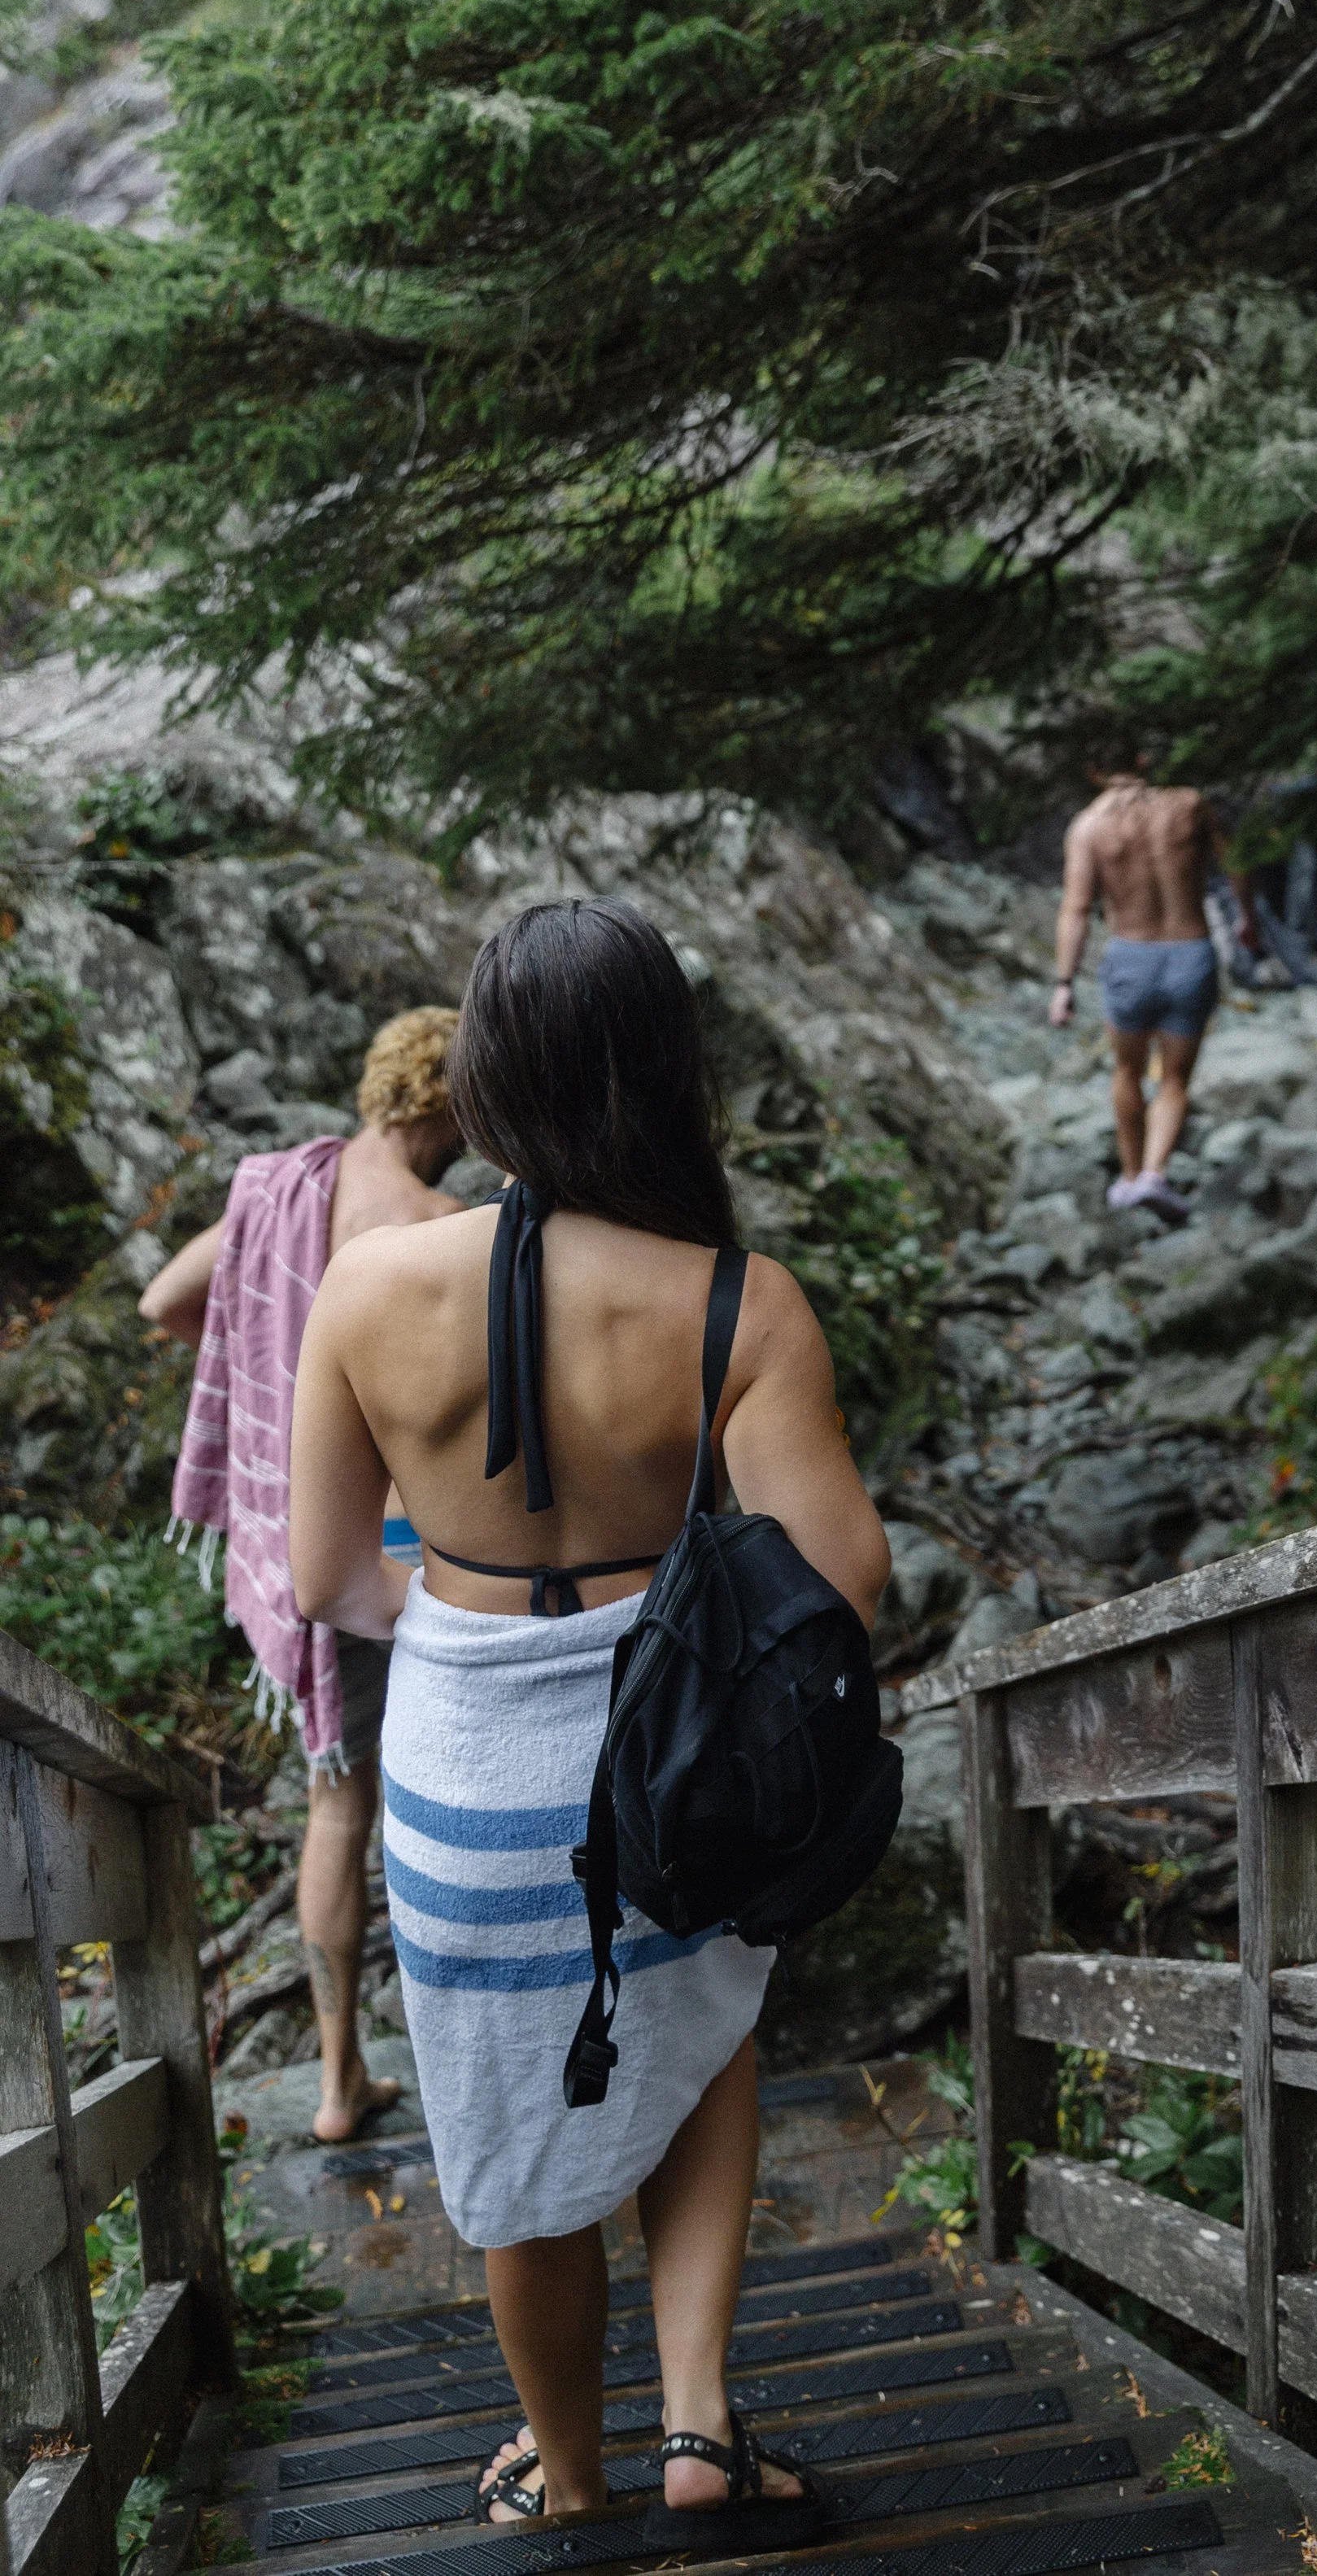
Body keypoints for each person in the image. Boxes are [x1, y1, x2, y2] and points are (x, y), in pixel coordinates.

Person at [287, 899, 891, 2535]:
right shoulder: (733, 1304)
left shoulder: (367, 1290)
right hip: (670, 1753)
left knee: (499, 2106)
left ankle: (563, 2476)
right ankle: (700, 2430)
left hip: (463, 1762)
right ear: (663, 1072)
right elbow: (844, 1577)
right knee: (702, 2040)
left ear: (483, 1076)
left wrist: (473, 1622)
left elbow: (329, 1574)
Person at [142, 1009, 464, 2144]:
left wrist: (275, 1382)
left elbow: (169, 1300)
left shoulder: (281, 1188)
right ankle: (470, 2061)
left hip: (298, 1539)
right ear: (438, 1101)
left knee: (339, 1805)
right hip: (398, 1548)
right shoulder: (440, 1223)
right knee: (442, 1794)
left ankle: (338, 2082)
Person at [1050, 758, 1233, 1220]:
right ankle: (1156, 1173)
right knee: (1174, 1079)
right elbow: (1237, 866)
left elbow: (1075, 909)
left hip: (1131, 956)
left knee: (1127, 1071)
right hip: (1191, 951)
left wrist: (1064, 982)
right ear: (1147, 760)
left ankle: (1130, 1178)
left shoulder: (1090, 825)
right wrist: (1247, 921)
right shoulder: (1190, 805)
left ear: (1095, 771)